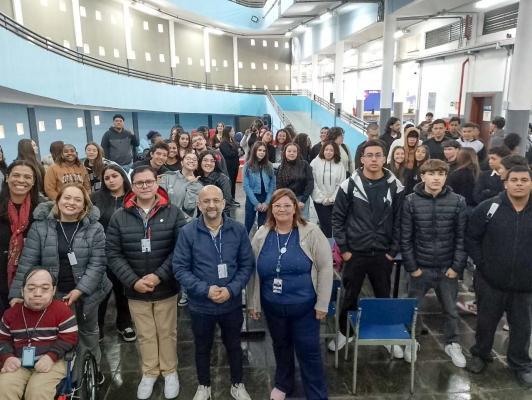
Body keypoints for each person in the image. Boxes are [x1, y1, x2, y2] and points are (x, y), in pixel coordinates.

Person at [9, 183, 111, 383]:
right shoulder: (40, 227)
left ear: (84, 205)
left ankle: (93, 370)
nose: (71, 203)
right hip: (53, 294)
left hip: (89, 292)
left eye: (77, 200)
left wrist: (80, 290)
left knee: (89, 332)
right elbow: (28, 262)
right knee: (62, 336)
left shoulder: (95, 228)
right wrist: (17, 294)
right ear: (58, 200)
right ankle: (69, 377)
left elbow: (98, 263)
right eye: (67, 198)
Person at [106, 165, 186, 400]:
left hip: (166, 286)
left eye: (148, 182)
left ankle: (170, 371)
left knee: (167, 332)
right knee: (145, 333)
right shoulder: (120, 216)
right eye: (139, 183)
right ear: (132, 186)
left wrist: (159, 275)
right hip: (135, 289)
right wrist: (133, 281)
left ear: (156, 182)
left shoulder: (173, 213)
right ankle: (150, 372)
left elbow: (180, 249)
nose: (144, 186)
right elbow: (113, 253)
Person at [248, 188, 333, 400]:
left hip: (305, 308)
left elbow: (325, 268)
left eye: (287, 205)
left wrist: (322, 304)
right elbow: (253, 271)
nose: (282, 209)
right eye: (277, 205)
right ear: (271, 209)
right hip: (273, 307)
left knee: (309, 351)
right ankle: (283, 383)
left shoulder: (311, 232)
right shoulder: (261, 234)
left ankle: (316, 393)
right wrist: (253, 303)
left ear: (295, 208)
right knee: (280, 346)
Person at [172, 185, 254, 400]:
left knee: (234, 345)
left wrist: (231, 289)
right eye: (206, 201)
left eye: (216, 200)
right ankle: (203, 385)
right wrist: (205, 290)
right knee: (202, 346)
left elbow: (246, 265)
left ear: (224, 203)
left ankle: (237, 383)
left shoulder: (238, 230)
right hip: (201, 305)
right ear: (199, 205)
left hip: (231, 303)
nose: (211, 205)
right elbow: (180, 268)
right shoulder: (188, 232)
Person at [330, 139, 404, 356]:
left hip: (383, 253)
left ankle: (386, 335)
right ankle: (345, 332)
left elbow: (400, 221)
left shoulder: (395, 186)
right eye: (369, 155)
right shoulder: (349, 185)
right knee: (350, 295)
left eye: (378, 155)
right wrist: (345, 250)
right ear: (362, 159)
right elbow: (337, 219)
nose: (374, 159)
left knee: (383, 296)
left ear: (384, 158)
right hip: (355, 253)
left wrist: (392, 251)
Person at [466, 166, 532, 387]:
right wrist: (482, 264)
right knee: (486, 321)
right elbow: (471, 237)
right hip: (490, 280)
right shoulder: (489, 207)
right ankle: (480, 354)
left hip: (525, 284)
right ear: (506, 183)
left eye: (524, 180)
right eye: (514, 180)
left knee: (522, 326)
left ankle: (520, 363)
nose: (519, 184)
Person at [401, 159, 468, 367]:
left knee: (450, 310)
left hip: (447, 268)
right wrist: (413, 267)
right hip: (420, 268)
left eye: (441, 174)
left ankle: (452, 343)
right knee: (413, 308)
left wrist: (456, 267)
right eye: (431, 174)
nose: (436, 178)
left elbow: (462, 237)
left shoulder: (458, 201)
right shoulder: (410, 201)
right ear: (423, 176)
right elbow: (406, 237)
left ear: (446, 177)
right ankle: (412, 340)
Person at [0, 269, 78, 400]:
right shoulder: (11, 314)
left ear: (53, 290)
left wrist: (51, 357)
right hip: (19, 361)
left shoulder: (63, 311)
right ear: (22, 290)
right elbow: (2, 339)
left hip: (53, 361)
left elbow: (69, 338)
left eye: (45, 289)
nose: (37, 293)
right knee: (3, 387)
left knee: (37, 392)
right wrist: (7, 357)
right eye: (31, 288)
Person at [91, 165, 136, 342]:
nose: (111, 180)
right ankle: (98, 326)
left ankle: (124, 323)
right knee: (101, 290)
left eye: (114, 176)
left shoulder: (133, 197)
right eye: (107, 178)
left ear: (123, 177)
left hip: (125, 252)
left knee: (123, 289)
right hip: (101, 252)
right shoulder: (96, 198)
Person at [0, 161, 43, 317]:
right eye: (16, 175)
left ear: (33, 182)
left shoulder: (42, 210)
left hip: (32, 280)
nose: (21, 180)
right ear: (7, 178)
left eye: (27, 177)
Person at [310, 141, 346, 238]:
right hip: (320, 201)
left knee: (334, 225)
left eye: (331, 150)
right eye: (326, 149)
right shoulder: (315, 163)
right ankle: (327, 245)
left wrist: (332, 198)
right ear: (323, 150)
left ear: (335, 152)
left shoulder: (339, 165)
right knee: (326, 225)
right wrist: (322, 199)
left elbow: (341, 183)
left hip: (335, 201)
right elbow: (312, 182)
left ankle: (330, 244)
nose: (328, 152)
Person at [159, 151, 203, 223]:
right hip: (166, 219)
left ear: (197, 165)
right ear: (182, 163)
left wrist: (193, 185)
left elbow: (189, 207)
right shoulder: (168, 176)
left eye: (194, 160)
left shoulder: (198, 185)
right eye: (188, 158)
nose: (191, 161)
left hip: (185, 222)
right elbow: (160, 199)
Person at [243, 142, 276, 233]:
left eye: (264, 151)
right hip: (252, 197)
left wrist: (267, 202)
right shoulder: (248, 166)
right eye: (259, 150)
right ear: (255, 151)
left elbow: (272, 185)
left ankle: (261, 242)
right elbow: (246, 186)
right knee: (248, 224)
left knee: (263, 227)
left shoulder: (269, 165)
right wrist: (256, 203)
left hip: (265, 197)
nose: (262, 152)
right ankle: (244, 241)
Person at [276, 143, 314, 219]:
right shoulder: (281, 167)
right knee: (288, 220)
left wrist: (303, 200)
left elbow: (310, 182)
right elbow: (279, 186)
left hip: (302, 198)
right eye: (289, 151)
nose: (292, 153)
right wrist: (286, 200)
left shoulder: (304, 164)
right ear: (285, 152)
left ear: (298, 153)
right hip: (287, 199)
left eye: (294, 151)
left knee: (302, 221)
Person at [198, 150, 233, 214]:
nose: (209, 163)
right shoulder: (197, 178)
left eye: (212, 161)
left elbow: (227, 203)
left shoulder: (223, 179)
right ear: (200, 162)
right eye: (205, 160)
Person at [219, 125, 241, 201]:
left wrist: (238, 151)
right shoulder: (223, 143)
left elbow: (240, 150)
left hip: (235, 165)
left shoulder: (233, 141)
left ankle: (233, 198)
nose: (234, 132)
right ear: (228, 132)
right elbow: (228, 154)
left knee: (233, 182)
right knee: (229, 182)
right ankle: (228, 199)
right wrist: (237, 151)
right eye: (232, 131)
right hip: (228, 166)